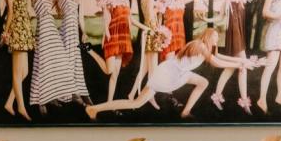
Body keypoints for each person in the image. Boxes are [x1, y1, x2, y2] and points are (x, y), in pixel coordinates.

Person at [86, 28, 262, 120]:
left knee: (203, 83)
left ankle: (185, 112)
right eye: (215, 36)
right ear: (208, 36)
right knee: (136, 103)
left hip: (177, 73)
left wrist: (243, 62)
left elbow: (220, 57)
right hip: (168, 74)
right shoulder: (200, 46)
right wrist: (243, 62)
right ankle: (95, 108)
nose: (217, 39)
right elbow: (218, 63)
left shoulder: (206, 47)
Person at [211, 0, 262, 114]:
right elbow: (220, 15)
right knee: (242, 66)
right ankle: (245, 102)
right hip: (233, 33)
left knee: (232, 68)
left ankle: (217, 97)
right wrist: (206, 17)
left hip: (239, 31)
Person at [86, 0, 148, 103]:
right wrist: (106, 32)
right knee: (109, 71)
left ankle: (109, 103)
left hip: (123, 37)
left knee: (115, 75)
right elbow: (106, 17)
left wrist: (144, 27)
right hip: (113, 34)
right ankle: (90, 50)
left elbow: (130, 19)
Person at [27, 0, 77, 113]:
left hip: (52, 29)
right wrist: (31, 25)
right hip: (42, 27)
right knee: (43, 63)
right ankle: (41, 100)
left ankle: (53, 96)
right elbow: (29, 8)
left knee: (58, 61)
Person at [0, 0, 37, 121]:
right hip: (17, 31)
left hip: (23, 30)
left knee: (24, 72)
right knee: (17, 73)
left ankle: (9, 103)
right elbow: (11, 14)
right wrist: (6, 34)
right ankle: (21, 107)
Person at [54, 0, 91, 105]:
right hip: (66, 28)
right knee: (67, 58)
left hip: (74, 30)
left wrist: (84, 32)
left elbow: (80, 16)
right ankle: (69, 92)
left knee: (75, 58)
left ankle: (79, 89)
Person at [128, 0, 163, 104]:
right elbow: (149, 17)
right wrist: (156, 29)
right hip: (151, 32)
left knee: (145, 68)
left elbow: (149, 13)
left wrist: (158, 10)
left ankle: (132, 93)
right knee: (153, 69)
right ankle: (150, 97)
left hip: (150, 31)